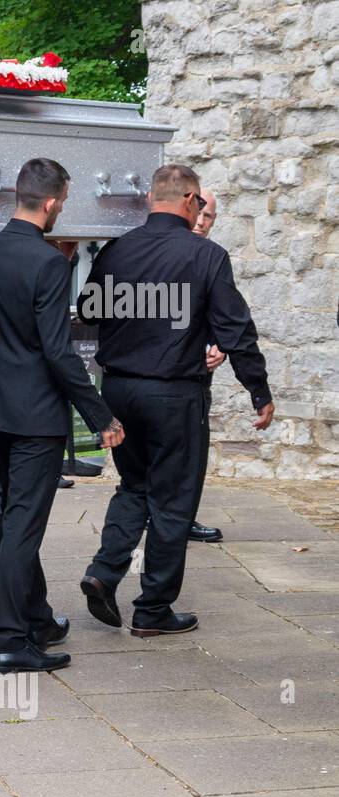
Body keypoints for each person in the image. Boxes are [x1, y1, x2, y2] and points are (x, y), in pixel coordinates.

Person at [79, 165, 274, 638]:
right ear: (191, 201)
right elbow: (236, 330)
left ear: (150, 198)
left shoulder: (117, 251)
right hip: (174, 394)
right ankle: (152, 610)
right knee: (172, 500)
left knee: (134, 485)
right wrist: (259, 391)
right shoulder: (206, 256)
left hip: (120, 390)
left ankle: (104, 572)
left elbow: (88, 310)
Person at [0, 159, 124, 673]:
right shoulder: (49, 264)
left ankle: (28, 620)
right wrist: (101, 416)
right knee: (22, 527)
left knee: (13, 516)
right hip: (33, 415)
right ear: (53, 202)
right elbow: (58, 353)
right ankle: (11, 642)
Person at [188, 186, 227, 543]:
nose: (201, 222)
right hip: (162, 375)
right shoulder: (166, 253)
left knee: (195, 451)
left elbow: (223, 315)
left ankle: (182, 518)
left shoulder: (212, 257)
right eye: (198, 213)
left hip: (198, 375)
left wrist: (220, 347)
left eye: (209, 216)